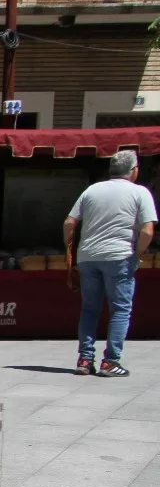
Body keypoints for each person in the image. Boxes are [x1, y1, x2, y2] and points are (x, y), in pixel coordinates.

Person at [66, 149, 155, 377]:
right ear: (134, 171)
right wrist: (137, 253)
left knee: (89, 309)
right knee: (120, 310)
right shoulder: (139, 192)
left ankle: (85, 360)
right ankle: (111, 361)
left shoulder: (92, 190)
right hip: (119, 256)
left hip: (88, 256)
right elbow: (147, 229)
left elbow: (69, 223)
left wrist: (70, 250)